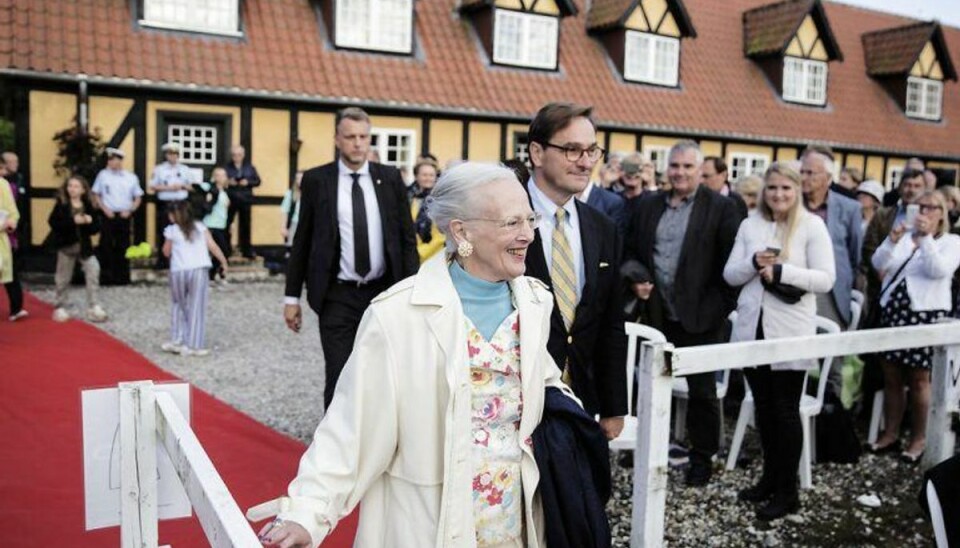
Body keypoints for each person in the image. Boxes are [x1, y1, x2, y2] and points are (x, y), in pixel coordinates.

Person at [258, 162, 576, 548]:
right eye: (511, 223)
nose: (527, 234)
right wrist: (307, 512)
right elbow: (351, 427)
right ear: (462, 231)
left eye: (530, 219)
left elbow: (544, 387)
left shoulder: (535, 301)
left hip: (515, 519)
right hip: (429, 522)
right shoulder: (397, 314)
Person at [625, 139, 743, 485]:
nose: (679, 172)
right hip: (657, 315)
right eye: (674, 166)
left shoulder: (721, 208)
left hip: (701, 317)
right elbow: (632, 251)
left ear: (699, 169)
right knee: (646, 385)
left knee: (702, 392)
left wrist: (719, 309)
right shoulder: (648, 205)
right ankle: (645, 447)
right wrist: (637, 279)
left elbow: (731, 267)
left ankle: (702, 458)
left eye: (688, 167)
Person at [284, 107, 419, 408]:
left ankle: (377, 442)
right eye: (350, 137)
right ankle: (336, 448)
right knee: (340, 374)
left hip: (383, 293)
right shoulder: (318, 180)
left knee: (384, 372)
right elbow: (302, 239)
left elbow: (406, 240)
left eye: (363, 137)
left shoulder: (389, 178)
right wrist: (291, 297)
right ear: (337, 139)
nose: (358, 143)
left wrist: (412, 290)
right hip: (337, 295)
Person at [724, 163, 835, 520]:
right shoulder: (749, 224)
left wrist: (783, 271)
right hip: (753, 326)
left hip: (791, 330)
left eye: (786, 188)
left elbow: (826, 279)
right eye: (772, 188)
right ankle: (769, 479)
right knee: (764, 410)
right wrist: (753, 262)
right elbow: (730, 274)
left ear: (797, 190)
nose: (778, 195)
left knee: (786, 412)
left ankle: (788, 491)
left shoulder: (812, 225)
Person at [523, 102, 627, 439]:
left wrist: (613, 405)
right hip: (515, 398)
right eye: (571, 150)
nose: (585, 162)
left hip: (581, 398)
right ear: (537, 152)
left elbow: (610, 322)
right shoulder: (504, 218)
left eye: (592, 151)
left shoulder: (603, 227)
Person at [869, 190, 960, 462]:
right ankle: (891, 433)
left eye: (932, 207)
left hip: (925, 313)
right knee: (891, 377)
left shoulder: (952, 241)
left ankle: (919, 438)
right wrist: (891, 240)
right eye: (920, 206)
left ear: (942, 213)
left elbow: (939, 270)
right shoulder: (905, 237)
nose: (925, 212)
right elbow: (878, 265)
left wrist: (927, 239)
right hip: (895, 311)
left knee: (920, 380)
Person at [161, 201, 228, 357]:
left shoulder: (171, 230)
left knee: (178, 304)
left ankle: (177, 339)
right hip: (198, 269)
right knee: (197, 305)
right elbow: (212, 245)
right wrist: (223, 261)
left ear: (174, 215)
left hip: (178, 270)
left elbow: (166, 251)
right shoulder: (200, 227)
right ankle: (194, 344)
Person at [48, 175, 108, 323]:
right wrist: (73, 221)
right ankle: (60, 305)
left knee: (93, 271)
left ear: (82, 190)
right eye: (70, 186)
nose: (72, 189)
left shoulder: (88, 204)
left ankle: (93, 305)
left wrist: (89, 221)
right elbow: (54, 223)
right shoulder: (62, 204)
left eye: (76, 186)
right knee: (63, 278)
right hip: (66, 246)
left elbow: (96, 228)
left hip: (85, 247)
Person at [92, 147, 143, 285]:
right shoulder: (103, 175)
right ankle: (106, 278)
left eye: (114, 159)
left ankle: (122, 278)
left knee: (123, 246)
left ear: (120, 161)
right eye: (109, 160)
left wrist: (130, 210)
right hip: (108, 215)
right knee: (106, 246)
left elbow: (138, 197)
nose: (111, 162)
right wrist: (104, 208)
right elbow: (96, 194)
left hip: (124, 215)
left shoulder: (130, 177)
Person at [150, 142, 194, 269]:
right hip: (166, 203)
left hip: (181, 204)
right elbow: (152, 186)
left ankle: (182, 259)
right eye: (170, 154)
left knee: (183, 231)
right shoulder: (159, 169)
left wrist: (182, 186)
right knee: (164, 232)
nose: (173, 156)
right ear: (166, 155)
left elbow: (192, 186)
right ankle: (163, 260)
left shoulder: (185, 169)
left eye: (175, 154)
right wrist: (168, 188)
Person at [224, 145, 261, 259]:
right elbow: (220, 181)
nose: (237, 157)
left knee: (245, 226)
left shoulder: (250, 167)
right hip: (231, 199)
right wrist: (229, 182)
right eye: (234, 155)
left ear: (243, 155)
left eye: (239, 155)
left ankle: (246, 250)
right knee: (227, 224)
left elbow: (258, 181)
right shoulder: (226, 167)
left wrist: (248, 182)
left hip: (245, 200)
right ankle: (226, 249)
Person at [0, 164, 25, 321]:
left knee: (8, 271)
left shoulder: (2, 184)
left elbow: (11, 209)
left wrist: (12, 221)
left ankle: (16, 308)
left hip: (2, 239)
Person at [410, 158, 445, 262]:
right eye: (424, 175)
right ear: (416, 176)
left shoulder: (440, 201)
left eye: (431, 175)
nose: (428, 178)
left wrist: (420, 253)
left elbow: (441, 236)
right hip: (411, 254)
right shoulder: (411, 198)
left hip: (432, 256)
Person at [201, 167, 231, 282]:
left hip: (221, 224)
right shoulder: (210, 187)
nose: (220, 177)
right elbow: (197, 187)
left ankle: (214, 272)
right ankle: (211, 274)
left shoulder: (224, 191)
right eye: (218, 175)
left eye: (223, 175)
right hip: (210, 224)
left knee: (223, 250)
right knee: (217, 249)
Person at [280, 171, 303, 251]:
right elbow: (284, 210)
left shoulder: (312, 194)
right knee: (292, 247)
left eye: (301, 178)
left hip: (306, 224)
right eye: (297, 178)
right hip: (294, 223)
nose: (299, 181)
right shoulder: (290, 193)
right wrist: (283, 227)